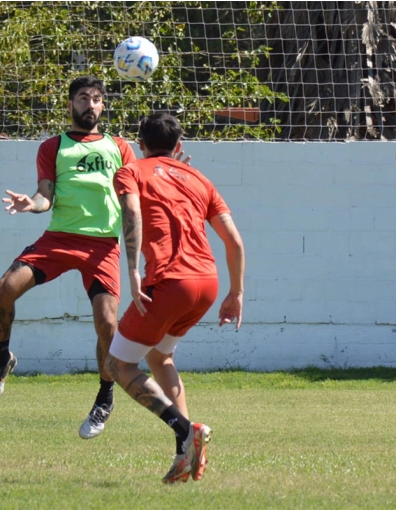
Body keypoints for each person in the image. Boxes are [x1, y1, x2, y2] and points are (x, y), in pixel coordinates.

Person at [0, 76, 137, 440]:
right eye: (84, 97)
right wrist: (30, 204)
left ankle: (105, 397)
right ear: (70, 105)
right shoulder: (53, 147)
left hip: (102, 246)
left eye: (97, 98)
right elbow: (45, 197)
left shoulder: (120, 147)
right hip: (58, 239)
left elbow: (134, 196)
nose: (91, 104)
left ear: (103, 106)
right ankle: (1, 358)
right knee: (5, 288)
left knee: (107, 325)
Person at [107, 112, 245, 483]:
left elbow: (132, 213)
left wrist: (134, 269)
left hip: (170, 283)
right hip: (207, 283)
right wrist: (236, 293)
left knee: (118, 365)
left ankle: (185, 430)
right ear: (179, 146)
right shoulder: (199, 178)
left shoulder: (132, 170)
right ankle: (185, 455)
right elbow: (233, 241)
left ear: (140, 144)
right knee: (160, 355)